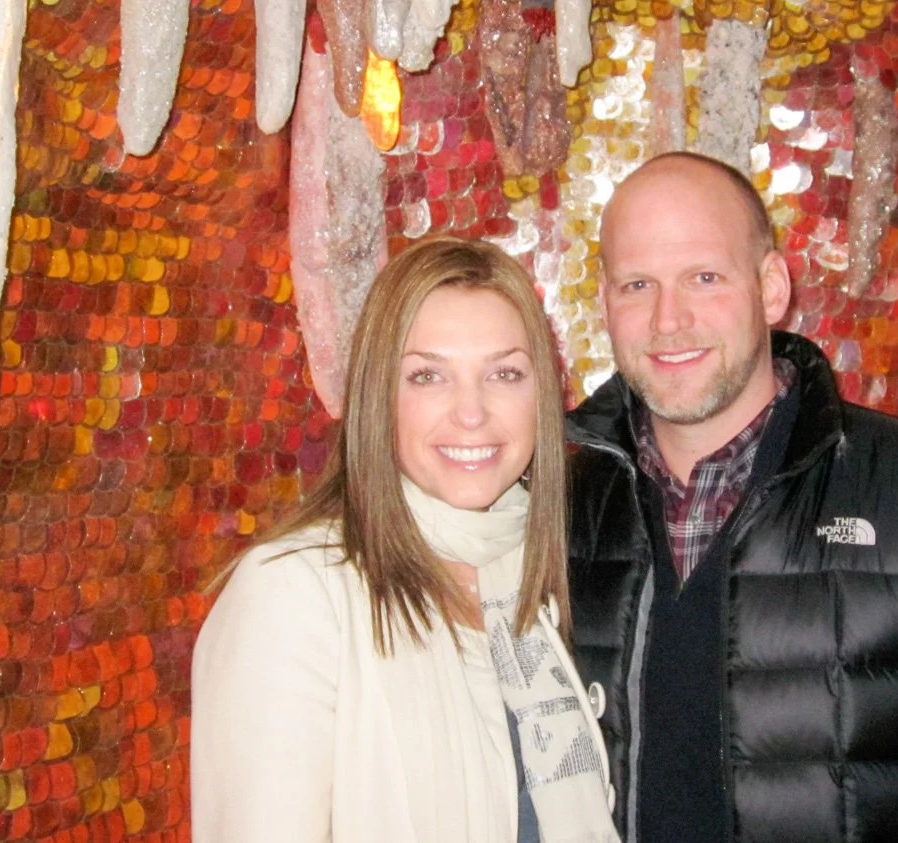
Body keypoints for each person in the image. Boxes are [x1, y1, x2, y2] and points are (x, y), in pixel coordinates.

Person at [565, 152, 898, 842]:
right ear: (606, 302)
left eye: (704, 276)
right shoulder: (561, 512)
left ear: (770, 287)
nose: (669, 319)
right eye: (637, 283)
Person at [191, 237, 619, 843]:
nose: (471, 412)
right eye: (427, 376)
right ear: (377, 397)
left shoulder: (538, 574)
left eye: (504, 373)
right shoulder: (294, 592)